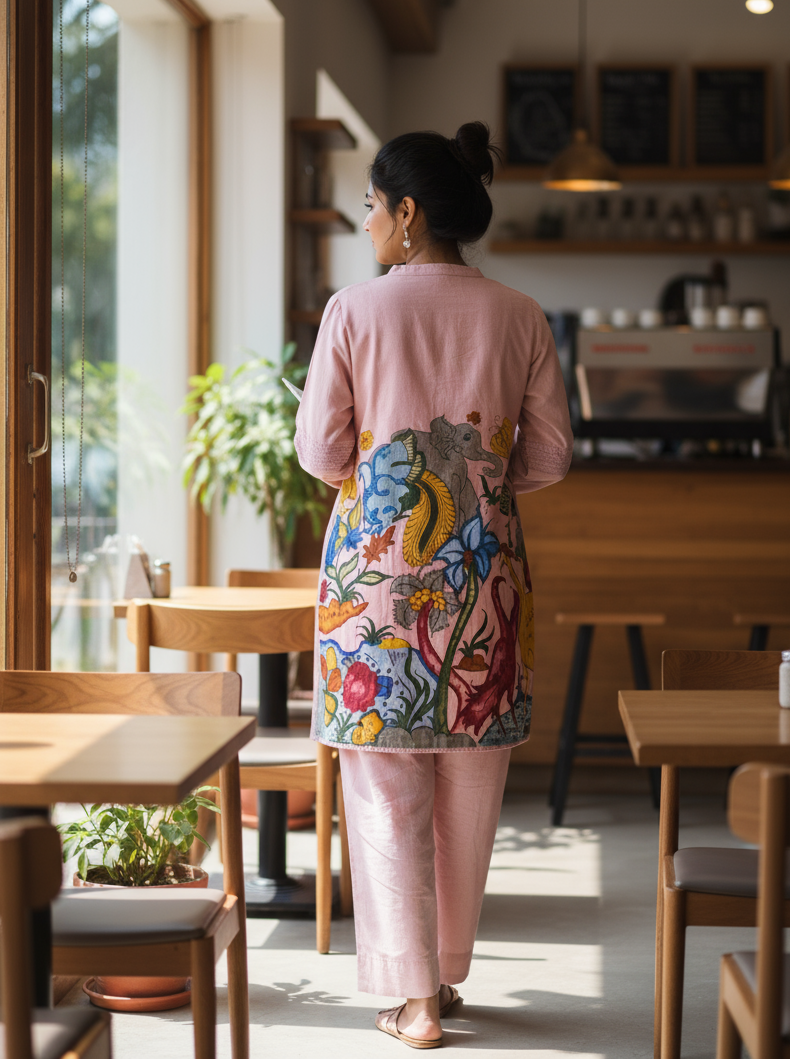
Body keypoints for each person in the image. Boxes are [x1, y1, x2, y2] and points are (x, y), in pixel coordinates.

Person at [295, 121, 572, 1049]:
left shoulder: (353, 311)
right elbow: (553, 458)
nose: (367, 220)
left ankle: (409, 998)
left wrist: (378, 470)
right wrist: (482, 483)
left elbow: (319, 450)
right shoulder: (521, 314)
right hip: (484, 576)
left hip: (375, 583)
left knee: (383, 788)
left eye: (373, 204)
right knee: (470, 783)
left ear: (408, 213)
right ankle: (443, 980)